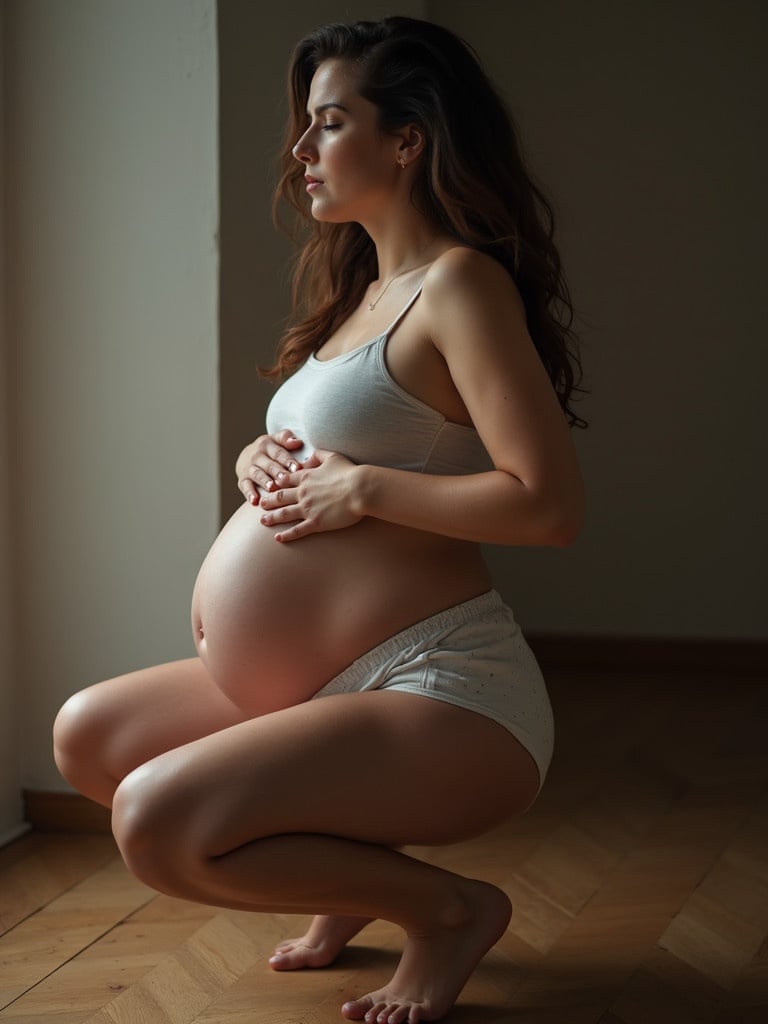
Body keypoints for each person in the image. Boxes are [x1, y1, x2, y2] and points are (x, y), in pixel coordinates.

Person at [53, 16, 585, 1024]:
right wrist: (263, 461)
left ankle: (447, 910)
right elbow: (347, 451)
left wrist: (363, 490)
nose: (300, 151)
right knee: (89, 736)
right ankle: (352, 886)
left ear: (407, 140)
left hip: (439, 687)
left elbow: (547, 505)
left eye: (328, 123)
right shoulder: (366, 292)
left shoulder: (460, 285)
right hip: (316, 682)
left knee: (154, 822)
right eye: (305, 126)